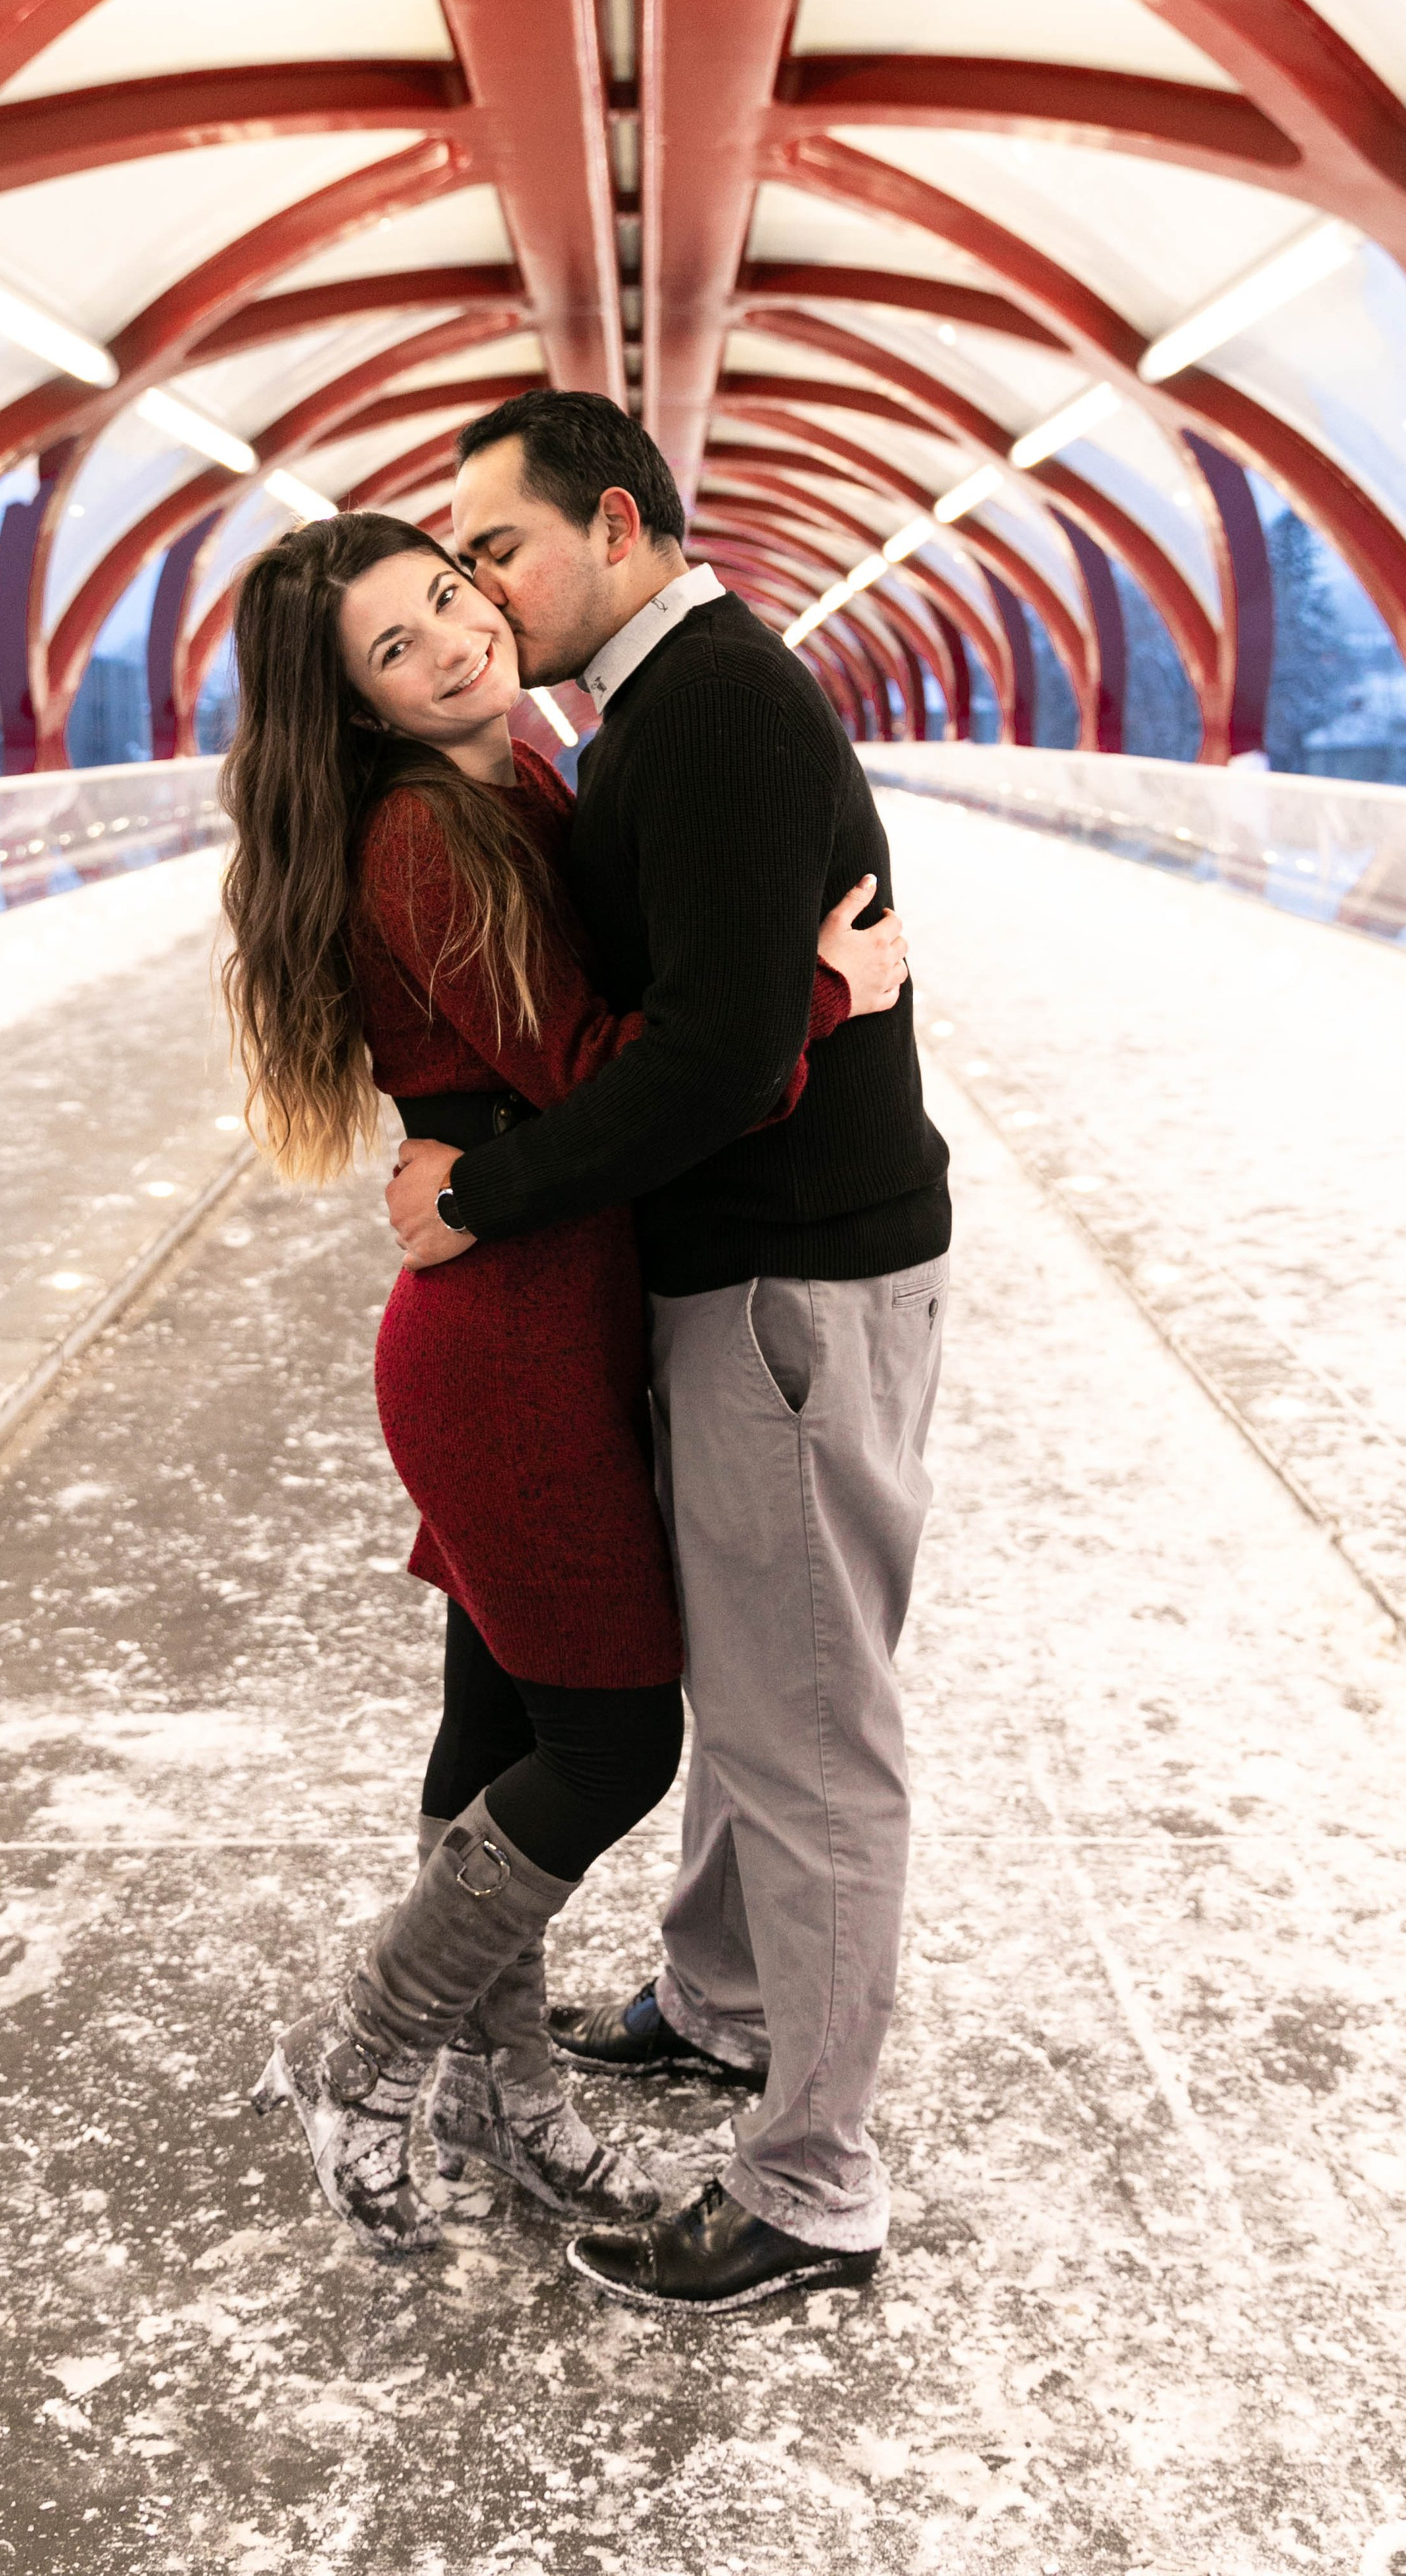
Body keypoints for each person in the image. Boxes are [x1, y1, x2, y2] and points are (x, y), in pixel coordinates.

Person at [217, 510, 905, 2264]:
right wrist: (813, 1000)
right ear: (355, 710)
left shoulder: (516, 774)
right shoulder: (426, 842)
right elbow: (616, 1067)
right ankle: (375, 2043)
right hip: (509, 1343)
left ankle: (502, 2089)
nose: (448, 642)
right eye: (394, 647)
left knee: (503, 1726)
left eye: (448, 599)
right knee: (607, 1736)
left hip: (548, 1317)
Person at [388, 390, 952, 2316]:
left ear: (614, 526)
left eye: (497, 546)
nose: (476, 585)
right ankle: (719, 2007)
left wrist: (492, 1188)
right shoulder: (657, 709)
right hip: (757, 1277)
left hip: (792, 1281)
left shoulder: (705, 706)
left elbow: (712, 1056)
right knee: (752, 1674)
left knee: (805, 1734)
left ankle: (812, 2190)